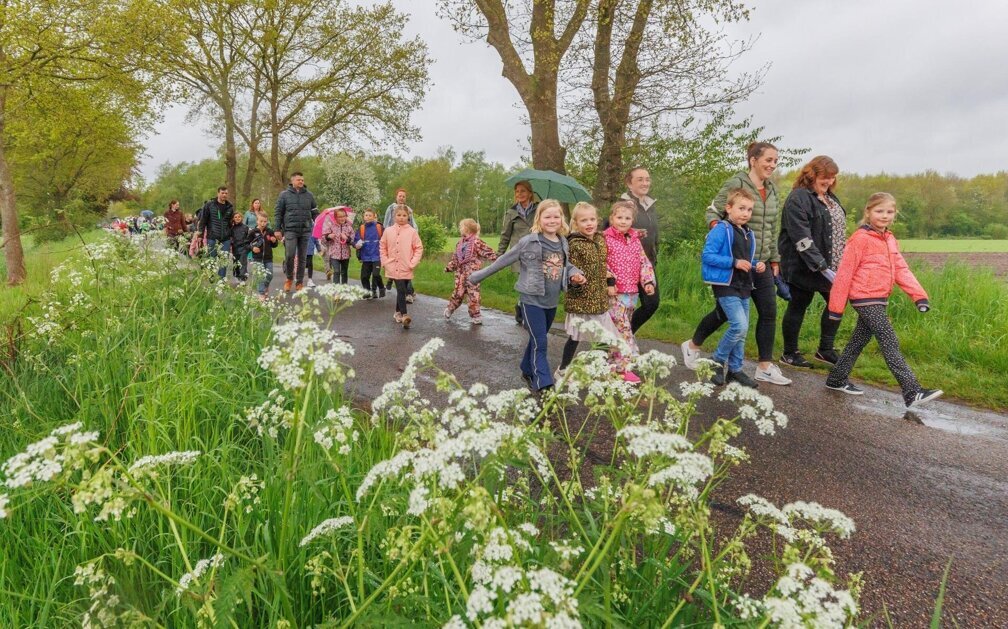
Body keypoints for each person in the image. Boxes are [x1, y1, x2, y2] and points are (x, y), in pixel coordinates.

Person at [682, 142, 791, 386]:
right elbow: (713, 211)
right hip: (731, 264)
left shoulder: (772, 190)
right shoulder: (736, 184)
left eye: (776, 161)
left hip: (758, 263)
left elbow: (771, 228)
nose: (772, 165)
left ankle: (762, 367)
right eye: (768, 160)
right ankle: (694, 346)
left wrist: (774, 259)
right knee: (727, 316)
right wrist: (720, 232)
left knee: (768, 312)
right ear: (753, 159)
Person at [825, 193, 942, 407]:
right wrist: (836, 308)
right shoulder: (859, 239)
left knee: (858, 341)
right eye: (879, 211)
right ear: (868, 212)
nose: (884, 216)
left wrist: (919, 296)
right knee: (889, 340)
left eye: (889, 212)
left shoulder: (889, 239)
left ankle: (836, 379)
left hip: (880, 297)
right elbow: (844, 273)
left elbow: (901, 269)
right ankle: (912, 391)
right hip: (864, 297)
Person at [470, 200, 586, 395]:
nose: (552, 220)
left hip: (551, 301)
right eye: (547, 216)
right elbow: (504, 260)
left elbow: (565, 266)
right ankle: (543, 382)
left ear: (562, 219)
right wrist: (477, 276)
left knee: (536, 339)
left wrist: (575, 273)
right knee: (541, 342)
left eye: (556, 216)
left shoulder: (563, 242)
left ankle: (526, 369)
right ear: (539, 219)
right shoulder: (529, 242)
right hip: (531, 300)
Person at [778, 155, 847, 368]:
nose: (828, 182)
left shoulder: (831, 198)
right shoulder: (798, 198)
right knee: (799, 305)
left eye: (832, 178)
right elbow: (801, 238)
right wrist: (823, 268)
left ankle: (825, 350)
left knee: (837, 304)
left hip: (832, 264)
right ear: (812, 175)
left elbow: (838, 231)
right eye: (825, 177)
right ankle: (789, 353)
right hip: (804, 265)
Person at [701, 189, 760, 388]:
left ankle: (735, 370)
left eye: (749, 210)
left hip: (744, 284)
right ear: (728, 208)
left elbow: (746, 259)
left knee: (742, 331)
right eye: (741, 208)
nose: (745, 213)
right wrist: (733, 262)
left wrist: (756, 264)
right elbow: (707, 255)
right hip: (725, 285)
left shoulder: (748, 232)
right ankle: (716, 361)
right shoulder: (721, 229)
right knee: (739, 326)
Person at [556, 202, 621, 378]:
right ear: (576, 223)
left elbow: (603, 265)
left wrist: (610, 282)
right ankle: (563, 369)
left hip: (599, 297)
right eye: (584, 220)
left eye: (592, 219)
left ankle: (599, 368)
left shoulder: (600, 239)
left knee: (605, 336)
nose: (589, 223)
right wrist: (574, 279)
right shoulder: (573, 243)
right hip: (581, 298)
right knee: (575, 337)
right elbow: (568, 267)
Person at [604, 200, 656, 384]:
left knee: (621, 331)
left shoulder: (634, 240)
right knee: (625, 331)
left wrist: (648, 281)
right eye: (619, 217)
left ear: (632, 220)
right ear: (611, 218)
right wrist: (609, 282)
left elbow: (644, 262)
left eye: (627, 218)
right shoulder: (605, 239)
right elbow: (601, 264)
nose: (623, 221)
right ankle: (623, 368)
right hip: (614, 294)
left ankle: (611, 365)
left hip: (632, 293)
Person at [498, 180, 537, 324]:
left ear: (530, 193)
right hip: (519, 254)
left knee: (533, 283)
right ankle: (523, 309)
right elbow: (505, 235)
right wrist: (500, 255)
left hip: (537, 252)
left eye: (523, 191)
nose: (520, 194)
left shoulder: (539, 210)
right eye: (517, 191)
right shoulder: (511, 212)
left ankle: (522, 307)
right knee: (525, 282)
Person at [444, 218, 497, 325]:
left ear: (467, 229)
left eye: (461, 226)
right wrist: (449, 267)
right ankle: (450, 309)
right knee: (457, 294)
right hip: (460, 275)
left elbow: (488, 252)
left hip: (473, 275)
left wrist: (498, 259)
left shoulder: (477, 242)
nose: (459, 228)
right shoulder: (459, 243)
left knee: (473, 295)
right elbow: (456, 259)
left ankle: (476, 315)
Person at [380, 205, 424, 329]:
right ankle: (405, 315)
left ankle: (397, 312)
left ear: (408, 217)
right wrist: (385, 261)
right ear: (394, 216)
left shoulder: (412, 232)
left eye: (404, 215)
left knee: (402, 289)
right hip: (393, 266)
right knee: (401, 290)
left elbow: (418, 248)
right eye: (398, 215)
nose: (401, 218)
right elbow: (382, 246)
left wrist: (413, 262)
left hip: (407, 266)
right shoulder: (388, 231)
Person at [274, 171, 318, 292]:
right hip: (290, 230)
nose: (301, 182)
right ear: (292, 181)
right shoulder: (284, 195)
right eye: (299, 180)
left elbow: (315, 212)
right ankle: (289, 279)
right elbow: (278, 213)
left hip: (305, 230)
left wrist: (319, 224)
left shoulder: (309, 195)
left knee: (303, 258)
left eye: (302, 180)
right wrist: (277, 229)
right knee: (290, 255)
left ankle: (299, 282)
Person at [383, 189, 417, 301]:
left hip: (405, 240)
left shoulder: (408, 210)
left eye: (403, 196)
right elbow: (386, 223)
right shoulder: (391, 208)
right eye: (400, 196)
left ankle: (408, 293)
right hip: (393, 239)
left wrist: (413, 236)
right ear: (396, 197)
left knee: (405, 266)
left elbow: (413, 224)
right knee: (395, 265)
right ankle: (405, 290)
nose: (401, 198)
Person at [197, 186, 235, 279]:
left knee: (224, 259)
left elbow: (230, 223)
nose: (224, 195)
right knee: (212, 258)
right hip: (212, 237)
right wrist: (200, 234)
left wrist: (230, 235)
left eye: (226, 193)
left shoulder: (230, 207)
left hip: (225, 238)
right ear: (218, 193)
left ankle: (221, 279)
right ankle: (211, 276)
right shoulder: (209, 205)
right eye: (222, 193)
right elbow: (203, 220)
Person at [354, 209, 385, 299]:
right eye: (366, 215)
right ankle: (367, 291)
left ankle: (382, 288)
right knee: (364, 276)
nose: (367, 217)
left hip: (377, 256)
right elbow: (356, 240)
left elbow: (386, 239)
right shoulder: (361, 228)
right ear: (363, 217)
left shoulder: (379, 227)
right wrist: (357, 244)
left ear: (374, 216)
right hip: (366, 256)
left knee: (375, 274)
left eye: (369, 215)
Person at [321, 207, 354, 285]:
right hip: (334, 254)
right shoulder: (331, 227)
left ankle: (344, 287)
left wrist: (347, 238)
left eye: (344, 216)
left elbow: (353, 240)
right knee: (336, 271)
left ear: (346, 216)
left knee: (344, 272)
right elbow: (323, 241)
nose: (342, 218)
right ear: (335, 217)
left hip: (345, 255)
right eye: (340, 217)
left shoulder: (349, 227)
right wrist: (328, 236)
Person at [249, 213, 279, 299]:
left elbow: (275, 245)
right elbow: (247, 244)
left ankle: (266, 286)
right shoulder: (253, 232)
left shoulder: (270, 231)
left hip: (268, 258)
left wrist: (274, 241)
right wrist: (252, 248)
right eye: (261, 221)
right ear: (257, 221)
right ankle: (261, 293)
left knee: (270, 275)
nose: (263, 223)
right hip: (257, 258)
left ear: (267, 222)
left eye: (265, 221)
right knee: (260, 276)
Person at [230, 212, 252, 281]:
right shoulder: (232, 228)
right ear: (233, 219)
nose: (237, 218)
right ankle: (237, 276)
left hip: (243, 248)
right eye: (235, 217)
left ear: (241, 218)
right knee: (236, 263)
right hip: (235, 248)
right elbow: (230, 237)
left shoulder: (246, 228)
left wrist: (247, 246)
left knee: (243, 263)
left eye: (239, 217)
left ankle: (243, 278)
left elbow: (249, 238)